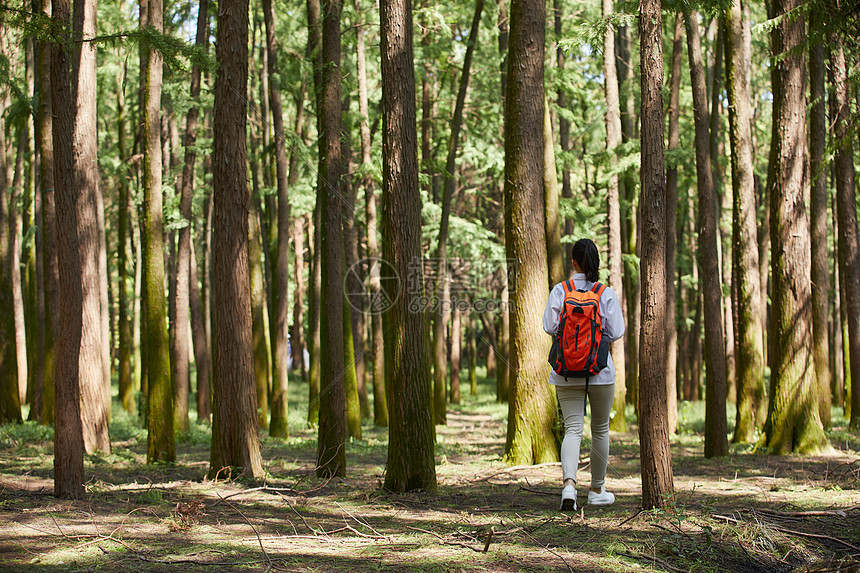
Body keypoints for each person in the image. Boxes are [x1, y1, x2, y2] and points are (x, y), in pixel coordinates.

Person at [542, 238, 626, 511]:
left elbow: (549, 327)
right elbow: (616, 332)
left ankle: (569, 486)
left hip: (565, 372)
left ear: (573, 262)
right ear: (596, 262)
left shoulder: (560, 291)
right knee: (600, 429)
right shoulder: (605, 293)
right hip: (600, 372)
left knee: (573, 429)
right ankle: (597, 489)